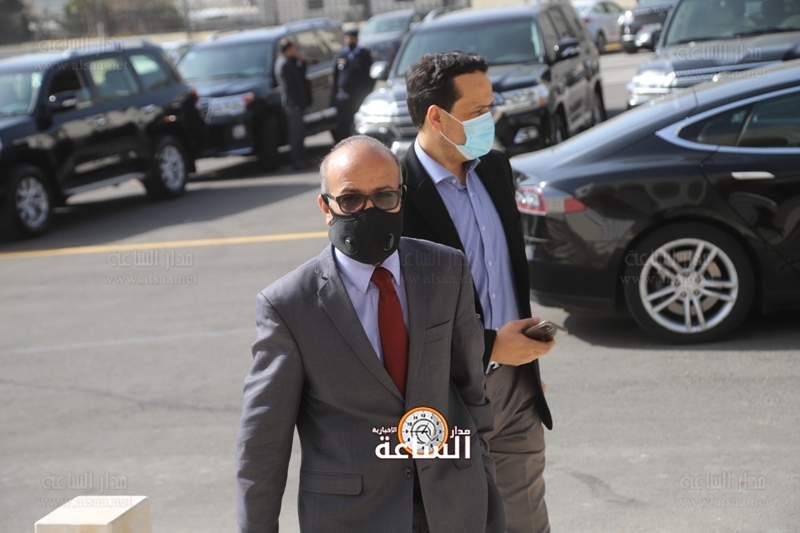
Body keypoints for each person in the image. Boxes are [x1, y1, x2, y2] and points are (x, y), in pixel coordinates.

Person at [236, 135, 506, 533]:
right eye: (350, 200)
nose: (369, 210)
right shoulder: (288, 306)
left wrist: (486, 490)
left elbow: (472, 393)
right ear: (326, 208)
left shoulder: (446, 270)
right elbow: (263, 444)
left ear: (401, 197)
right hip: (352, 518)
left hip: (455, 508)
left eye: (384, 196)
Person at [401, 52, 555, 533]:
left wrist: (523, 365)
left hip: (516, 388)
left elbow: (506, 274)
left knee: (528, 522)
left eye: (491, 107)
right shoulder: (394, 194)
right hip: (448, 397)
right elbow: (398, 319)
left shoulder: (495, 168)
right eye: (478, 111)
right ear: (436, 117)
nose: (490, 120)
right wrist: (489, 348)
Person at [274, 37, 313, 170]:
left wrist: (303, 63)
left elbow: (301, 76)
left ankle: (304, 159)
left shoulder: (291, 61)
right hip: (293, 106)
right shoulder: (284, 64)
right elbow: (287, 87)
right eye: (294, 47)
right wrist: (294, 103)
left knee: (301, 133)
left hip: (298, 104)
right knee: (295, 134)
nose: (296, 50)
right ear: (288, 49)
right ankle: (297, 160)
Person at [330, 28, 374, 143]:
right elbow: (335, 75)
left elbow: (370, 76)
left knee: (358, 123)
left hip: (358, 95)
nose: (350, 41)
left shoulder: (364, 54)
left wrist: (367, 92)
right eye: (348, 38)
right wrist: (335, 93)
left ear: (357, 39)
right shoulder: (341, 54)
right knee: (343, 123)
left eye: (352, 38)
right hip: (343, 96)